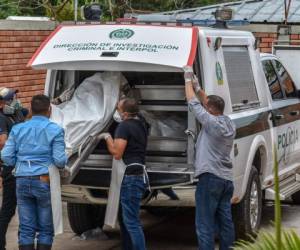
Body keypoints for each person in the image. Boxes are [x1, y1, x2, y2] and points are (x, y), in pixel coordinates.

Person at [1, 94, 67, 250]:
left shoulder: (18, 129)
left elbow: (5, 156)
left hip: (22, 179)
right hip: (43, 179)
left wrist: (20, 163)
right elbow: (60, 161)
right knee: (45, 228)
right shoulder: (56, 130)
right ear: (49, 110)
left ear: (31, 109)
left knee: (26, 228)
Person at [183, 66, 236, 250]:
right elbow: (207, 103)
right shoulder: (228, 122)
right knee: (225, 221)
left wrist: (188, 80)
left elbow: (193, 103)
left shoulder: (211, 123)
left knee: (204, 224)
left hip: (210, 179)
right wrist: (199, 89)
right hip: (226, 180)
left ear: (210, 110)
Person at [104, 98, 149, 250]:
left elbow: (117, 153)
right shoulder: (141, 124)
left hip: (130, 177)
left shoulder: (124, 126)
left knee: (132, 222)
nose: (116, 110)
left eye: (117, 108)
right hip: (138, 175)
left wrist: (107, 137)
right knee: (126, 218)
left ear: (124, 113)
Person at [0, 87, 27, 250]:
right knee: (8, 210)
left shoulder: (17, 113)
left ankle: (24, 244)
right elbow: (2, 142)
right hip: (11, 168)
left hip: (22, 167)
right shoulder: (1, 118)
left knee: (25, 210)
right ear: (2, 103)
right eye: (12, 98)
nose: (15, 100)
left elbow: (33, 113)